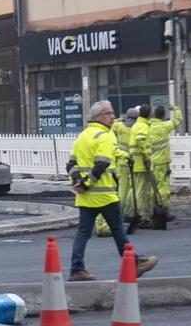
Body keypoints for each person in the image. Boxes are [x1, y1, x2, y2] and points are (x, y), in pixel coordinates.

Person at [67, 100, 160, 282]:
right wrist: (86, 184)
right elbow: (101, 163)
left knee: (83, 233)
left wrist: (79, 182)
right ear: (99, 116)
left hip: (86, 197)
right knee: (118, 230)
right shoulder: (105, 136)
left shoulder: (83, 136)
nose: (113, 117)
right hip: (105, 194)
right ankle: (133, 264)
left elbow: (71, 164)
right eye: (109, 113)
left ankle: (76, 269)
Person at [134, 103, 182, 230]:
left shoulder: (148, 127)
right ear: (163, 116)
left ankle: (151, 212)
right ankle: (162, 210)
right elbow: (178, 120)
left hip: (152, 162)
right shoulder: (164, 126)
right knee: (163, 188)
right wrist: (175, 108)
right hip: (162, 163)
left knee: (151, 188)